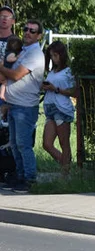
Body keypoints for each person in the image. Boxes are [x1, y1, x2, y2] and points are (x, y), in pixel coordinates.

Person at [0, 19, 45, 193]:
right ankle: (19, 176)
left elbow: (16, 75)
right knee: (14, 143)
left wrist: (1, 67)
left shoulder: (35, 54)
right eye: (26, 29)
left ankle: (29, 179)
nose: (27, 32)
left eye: (32, 31)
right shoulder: (23, 51)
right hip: (13, 104)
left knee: (23, 145)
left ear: (39, 35)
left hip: (25, 107)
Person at [41, 40, 77, 176]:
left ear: (62, 55)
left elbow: (74, 92)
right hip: (50, 108)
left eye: (55, 56)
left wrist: (55, 89)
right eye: (51, 56)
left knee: (64, 142)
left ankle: (65, 172)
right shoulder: (52, 71)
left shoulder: (68, 71)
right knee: (47, 144)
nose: (53, 59)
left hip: (61, 109)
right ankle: (66, 163)